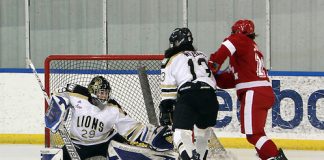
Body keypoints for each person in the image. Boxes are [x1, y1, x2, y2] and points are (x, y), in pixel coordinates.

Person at [208, 19, 288, 160]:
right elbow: (232, 79)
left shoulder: (240, 40)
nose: (231, 35)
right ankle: (269, 157)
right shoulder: (250, 48)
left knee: (254, 135)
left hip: (254, 93)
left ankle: (275, 157)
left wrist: (210, 66)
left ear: (238, 32)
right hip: (263, 93)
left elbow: (223, 51)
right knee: (257, 134)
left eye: (233, 32)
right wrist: (214, 78)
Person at [45, 76, 174, 160]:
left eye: (106, 93)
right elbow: (57, 94)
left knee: (130, 152)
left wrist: (151, 135)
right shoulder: (78, 97)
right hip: (77, 144)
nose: (104, 97)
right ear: (93, 91)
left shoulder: (113, 109)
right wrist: (57, 109)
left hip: (105, 142)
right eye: (101, 93)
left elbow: (132, 128)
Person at [159, 27, 219, 160]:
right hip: (211, 98)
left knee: (180, 134)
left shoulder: (170, 59)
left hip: (190, 96)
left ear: (176, 42)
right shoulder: (202, 55)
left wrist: (165, 110)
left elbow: (168, 93)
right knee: (203, 134)